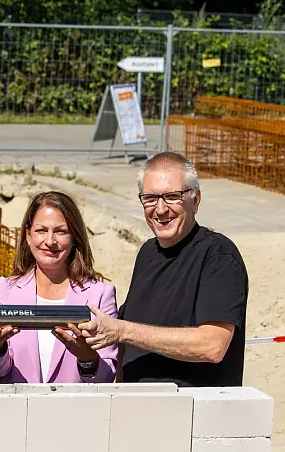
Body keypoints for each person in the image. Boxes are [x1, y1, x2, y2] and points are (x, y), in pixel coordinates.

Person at [79, 151, 249, 387]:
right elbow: (125, 346)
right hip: (138, 411)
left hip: (192, 415)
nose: (160, 209)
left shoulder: (218, 256)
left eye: (172, 196)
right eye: (150, 198)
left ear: (195, 200)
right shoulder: (148, 252)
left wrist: (122, 331)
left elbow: (213, 345)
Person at [0, 191, 119, 383]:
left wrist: (88, 359)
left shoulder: (100, 295)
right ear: (28, 235)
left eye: (61, 231)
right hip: (20, 410)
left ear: (74, 237)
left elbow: (106, 377)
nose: (50, 241)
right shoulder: (5, 290)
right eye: (41, 230)